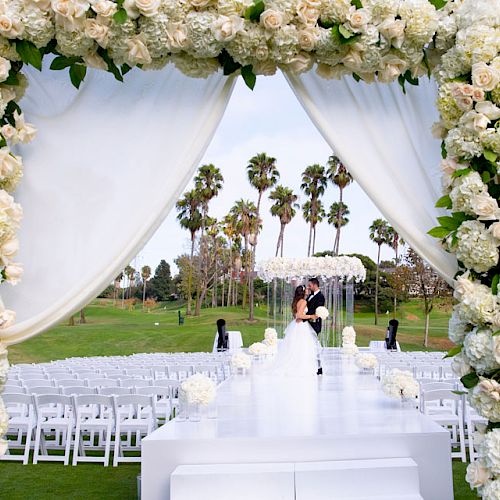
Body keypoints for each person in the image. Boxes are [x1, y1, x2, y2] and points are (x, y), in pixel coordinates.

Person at [268, 285, 321, 377]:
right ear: (303, 292)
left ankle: (296, 364)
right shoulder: (303, 301)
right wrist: (311, 316)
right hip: (301, 326)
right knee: (303, 346)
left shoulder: (296, 301)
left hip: (297, 325)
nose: (308, 291)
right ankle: (301, 367)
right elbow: (299, 315)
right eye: (307, 289)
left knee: (296, 346)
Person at [305, 277, 325, 375]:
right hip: (307, 323)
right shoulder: (310, 296)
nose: (308, 287)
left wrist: (306, 316)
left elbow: (317, 311)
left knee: (314, 346)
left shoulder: (320, 297)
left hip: (314, 324)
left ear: (315, 285)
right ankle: (312, 365)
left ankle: (319, 367)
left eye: (310, 285)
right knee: (309, 345)